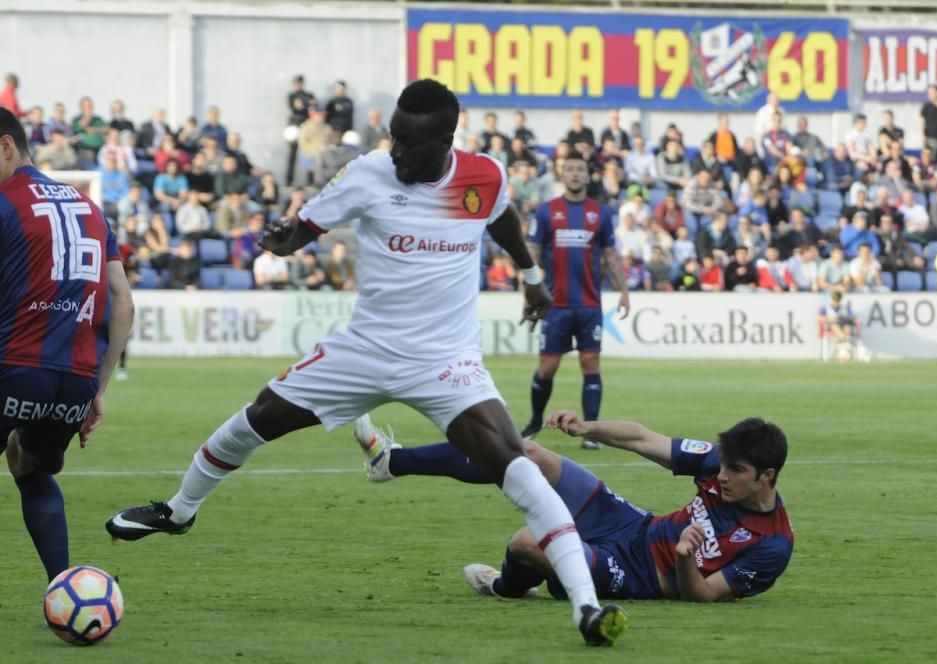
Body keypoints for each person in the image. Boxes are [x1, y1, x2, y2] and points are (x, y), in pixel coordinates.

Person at [105, 80, 626, 646]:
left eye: (408, 142)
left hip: (445, 359)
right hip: (365, 350)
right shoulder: (367, 173)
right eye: (392, 137)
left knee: (515, 463)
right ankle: (179, 511)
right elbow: (301, 230)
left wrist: (529, 278)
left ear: (444, 140)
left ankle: (586, 608)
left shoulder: (484, 175)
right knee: (257, 418)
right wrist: (281, 240)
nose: (395, 151)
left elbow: (500, 219)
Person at [351, 409, 793, 603]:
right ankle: (390, 461)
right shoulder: (719, 463)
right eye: (724, 467)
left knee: (527, 542)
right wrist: (588, 427)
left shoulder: (772, 545)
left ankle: (507, 587)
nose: (721, 476)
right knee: (528, 452)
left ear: (766, 477)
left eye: (734, 472)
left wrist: (683, 561)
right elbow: (644, 438)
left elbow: (704, 597)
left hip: (639, 575)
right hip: (633, 525)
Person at [0, 108, 133, 581]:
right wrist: (97, 391)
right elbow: (123, 305)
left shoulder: (5, 203)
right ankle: (64, 586)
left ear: (6, 146)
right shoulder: (89, 208)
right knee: (30, 466)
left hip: (13, 367)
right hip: (74, 384)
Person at [520, 151, 629, 451]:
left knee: (591, 363)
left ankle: (591, 431)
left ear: (587, 174)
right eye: (569, 169)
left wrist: (623, 290)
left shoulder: (600, 212)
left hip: (589, 304)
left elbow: (610, 255)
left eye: (580, 168)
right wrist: (528, 295)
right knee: (547, 367)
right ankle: (534, 421)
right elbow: (533, 255)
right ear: (561, 174)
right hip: (555, 305)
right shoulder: (546, 211)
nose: (575, 174)